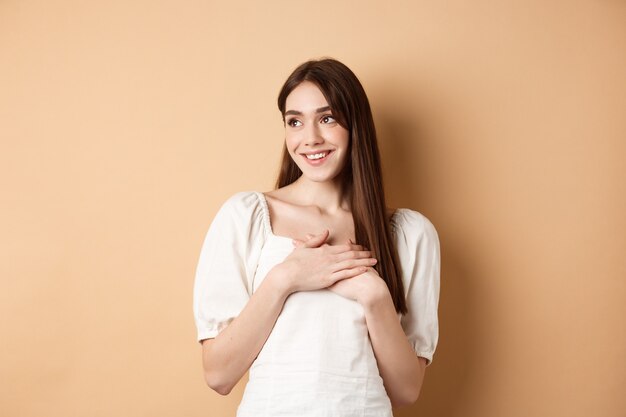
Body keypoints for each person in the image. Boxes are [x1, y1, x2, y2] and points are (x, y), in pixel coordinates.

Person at [193, 58, 440, 416]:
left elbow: (405, 391)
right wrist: (286, 278)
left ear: (356, 126)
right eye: (295, 122)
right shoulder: (246, 217)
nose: (310, 138)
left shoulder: (410, 235)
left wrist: (374, 298)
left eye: (327, 118)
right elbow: (218, 374)